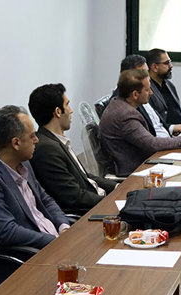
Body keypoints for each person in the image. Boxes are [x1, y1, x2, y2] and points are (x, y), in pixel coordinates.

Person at [0, 106, 71, 249]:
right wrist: (55, 241)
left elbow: (45, 200)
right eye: (32, 136)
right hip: (34, 252)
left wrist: (64, 227)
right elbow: (8, 231)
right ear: (16, 143)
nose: (37, 140)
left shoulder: (23, 162)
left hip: (56, 240)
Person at [28, 83, 117, 213]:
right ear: (58, 112)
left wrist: (117, 187)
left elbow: (85, 177)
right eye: (67, 105)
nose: (71, 110)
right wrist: (112, 202)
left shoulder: (56, 141)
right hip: (90, 211)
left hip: (99, 200)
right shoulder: (46, 149)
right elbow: (73, 196)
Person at [99, 69, 181, 176]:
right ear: (135, 94)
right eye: (147, 90)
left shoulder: (119, 104)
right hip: (135, 169)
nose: (151, 92)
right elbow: (152, 144)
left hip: (144, 161)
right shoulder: (126, 115)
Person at [115, 55, 181, 138]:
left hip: (168, 138)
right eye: (143, 73)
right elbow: (148, 140)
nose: (148, 76)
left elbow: (156, 124)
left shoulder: (143, 92)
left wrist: (173, 128)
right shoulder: (127, 102)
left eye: (147, 72)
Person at [146, 48, 181, 127]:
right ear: (154, 67)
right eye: (166, 63)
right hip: (167, 131)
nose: (171, 66)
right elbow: (153, 123)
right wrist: (174, 128)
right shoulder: (147, 90)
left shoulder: (169, 85)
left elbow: (177, 112)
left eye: (170, 62)